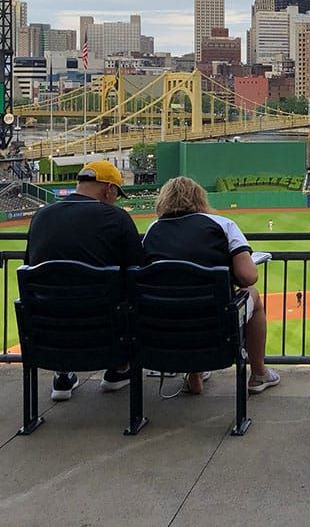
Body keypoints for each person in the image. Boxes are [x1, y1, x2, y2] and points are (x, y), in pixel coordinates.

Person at [141, 176, 279, 394]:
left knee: (185, 297)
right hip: (214, 321)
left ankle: (195, 372)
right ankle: (259, 373)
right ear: (199, 198)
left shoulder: (154, 229)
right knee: (252, 293)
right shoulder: (222, 224)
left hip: (163, 320)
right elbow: (248, 276)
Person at [25, 159, 144, 401]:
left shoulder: (41, 215)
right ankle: (119, 369)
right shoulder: (117, 217)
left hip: (47, 330)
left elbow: (30, 265)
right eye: (116, 193)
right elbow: (137, 272)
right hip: (104, 330)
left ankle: (62, 374)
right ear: (108, 189)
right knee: (131, 296)